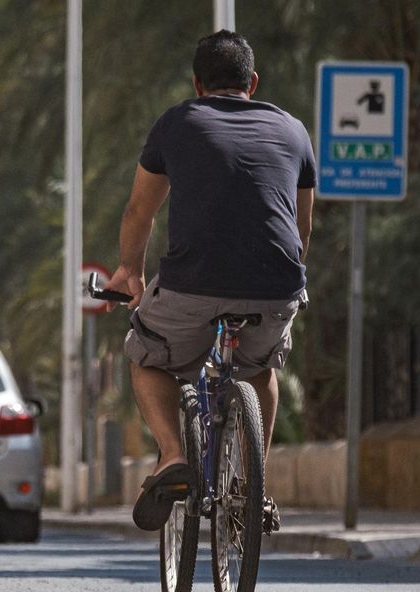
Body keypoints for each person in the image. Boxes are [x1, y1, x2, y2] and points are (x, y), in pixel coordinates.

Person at [102, 30, 314, 532]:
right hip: (276, 286)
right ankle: (253, 488)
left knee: (146, 355)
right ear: (253, 82)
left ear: (197, 85)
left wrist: (130, 271)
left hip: (192, 286)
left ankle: (173, 456)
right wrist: (280, 279)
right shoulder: (293, 130)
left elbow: (139, 211)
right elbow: (302, 226)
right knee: (260, 369)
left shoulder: (178, 122)